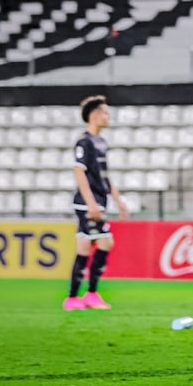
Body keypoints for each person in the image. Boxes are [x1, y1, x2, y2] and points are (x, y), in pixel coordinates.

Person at [63, 95, 129, 311]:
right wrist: (91, 204)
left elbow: (104, 176)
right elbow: (79, 172)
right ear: (94, 115)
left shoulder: (101, 142)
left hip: (99, 200)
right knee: (105, 242)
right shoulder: (84, 142)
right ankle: (90, 294)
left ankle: (73, 298)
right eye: (105, 112)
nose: (108, 116)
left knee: (84, 247)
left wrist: (118, 200)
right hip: (87, 203)